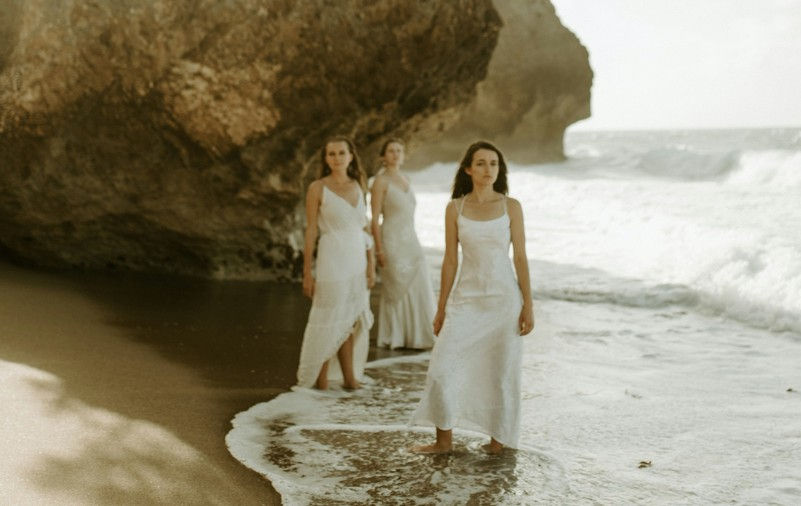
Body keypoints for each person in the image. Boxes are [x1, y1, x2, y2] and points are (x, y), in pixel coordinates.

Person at [409, 140, 534, 454]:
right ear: (468, 169)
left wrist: (529, 305)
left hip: (504, 301)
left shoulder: (511, 206)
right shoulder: (456, 208)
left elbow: (520, 257)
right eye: (481, 163)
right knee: (443, 365)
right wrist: (441, 309)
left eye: (493, 163)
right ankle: (443, 442)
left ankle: (498, 443)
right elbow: (451, 260)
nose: (488, 169)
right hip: (466, 300)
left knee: (501, 372)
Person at [297, 136, 375, 390]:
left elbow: (364, 229)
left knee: (350, 319)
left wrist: (371, 265)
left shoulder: (359, 185)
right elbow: (310, 231)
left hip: (356, 260)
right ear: (325, 159)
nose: (337, 158)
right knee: (328, 317)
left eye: (342, 153)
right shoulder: (317, 188)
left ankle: (350, 380)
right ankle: (318, 382)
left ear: (351, 156)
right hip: (332, 259)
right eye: (331, 154)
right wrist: (308, 272)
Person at [370, 139, 435, 350]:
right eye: (391, 151)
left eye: (399, 150)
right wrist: (378, 249)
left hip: (411, 240)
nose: (395, 154)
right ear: (383, 156)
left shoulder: (407, 179)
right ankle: (395, 336)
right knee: (396, 286)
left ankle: (420, 336)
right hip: (391, 240)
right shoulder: (380, 181)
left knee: (420, 279)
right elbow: (374, 219)